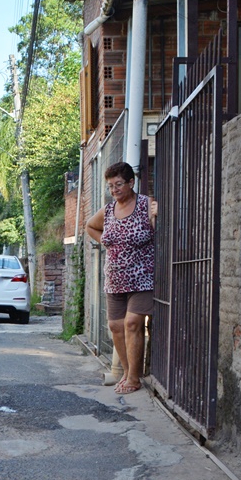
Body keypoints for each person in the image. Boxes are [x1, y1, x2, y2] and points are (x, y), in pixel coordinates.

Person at [85, 161, 157, 394]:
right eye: (110, 186)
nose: (114, 190)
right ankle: (127, 373)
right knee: (116, 326)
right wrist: (104, 241)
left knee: (133, 323)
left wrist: (157, 217)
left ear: (131, 182)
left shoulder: (146, 204)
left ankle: (134, 379)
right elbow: (90, 227)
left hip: (142, 277)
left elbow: (160, 230)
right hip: (115, 278)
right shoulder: (108, 211)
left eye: (118, 184)